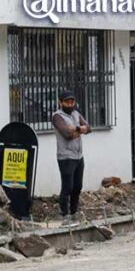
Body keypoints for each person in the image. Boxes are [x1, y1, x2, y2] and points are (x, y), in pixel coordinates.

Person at [51, 90, 91, 226]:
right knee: (67, 187)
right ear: (60, 102)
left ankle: (74, 213)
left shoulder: (76, 113)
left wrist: (75, 128)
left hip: (79, 156)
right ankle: (64, 214)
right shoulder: (57, 116)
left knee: (77, 186)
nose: (70, 104)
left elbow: (89, 128)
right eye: (67, 102)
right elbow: (66, 134)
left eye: (72, 101)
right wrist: (81, 130)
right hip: (66, 157)